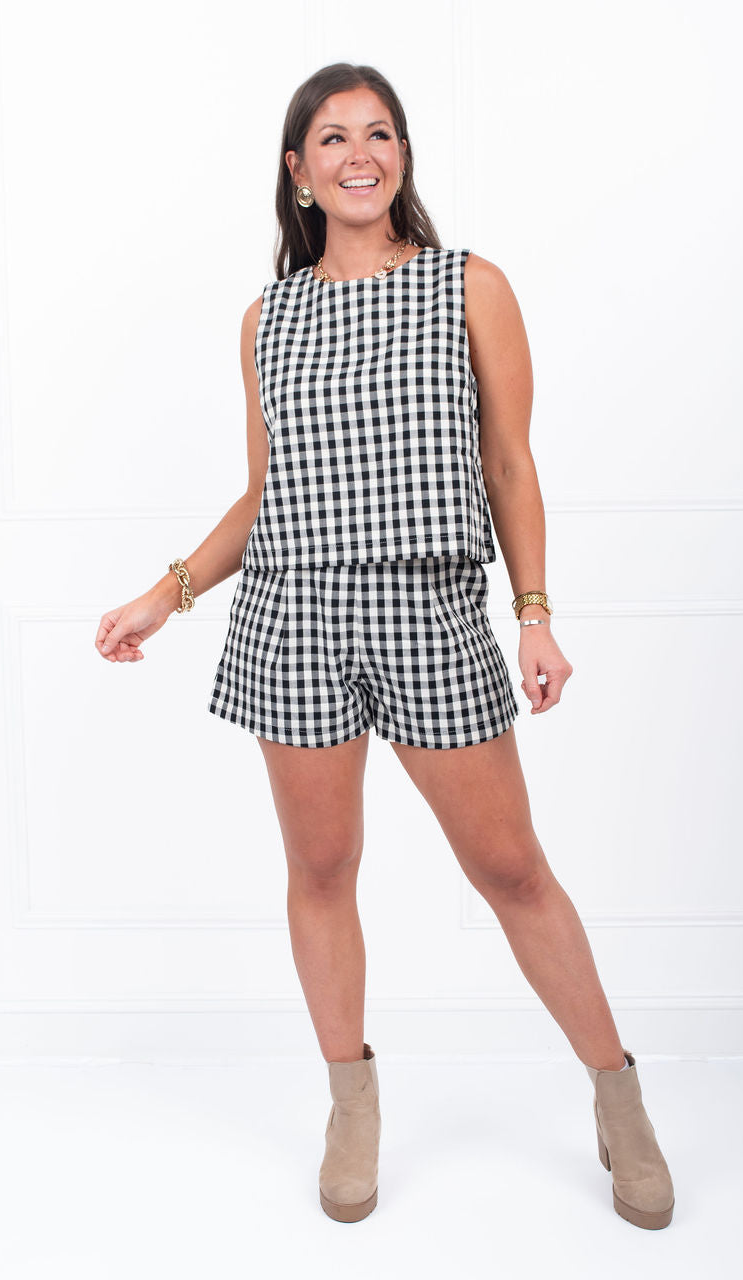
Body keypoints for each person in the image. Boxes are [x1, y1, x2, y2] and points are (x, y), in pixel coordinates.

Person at [94, 62, 674, 1231]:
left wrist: (534, 611)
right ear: (298, 172)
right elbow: (268, 494)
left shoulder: (469, 285)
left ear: (400, 154)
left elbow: (508, 462)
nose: (358, 153)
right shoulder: (269, 317)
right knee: (320, 867)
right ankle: (350, 1103)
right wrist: (168, 592)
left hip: (430, 609)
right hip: (292, 616)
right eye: (332, 137)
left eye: (378, 132)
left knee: (510, 868)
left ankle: (619, 1096)